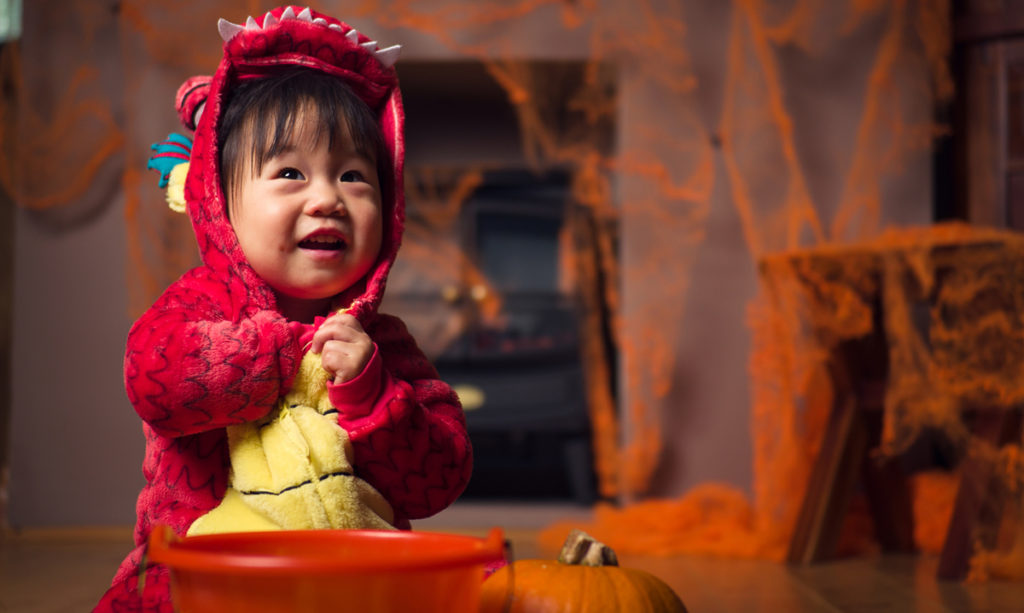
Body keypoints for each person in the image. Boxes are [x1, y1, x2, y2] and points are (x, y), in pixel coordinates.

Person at [94, 6, 472, 611]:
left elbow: (438, 478)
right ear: (220, 202)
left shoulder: (384, 345)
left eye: (354, 176)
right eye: (290, 172)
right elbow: (156, 381)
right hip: (209, 579)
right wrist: (280, 350)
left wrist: (374, 396)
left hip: (357, 585)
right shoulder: (200, 305)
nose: (328, 199)